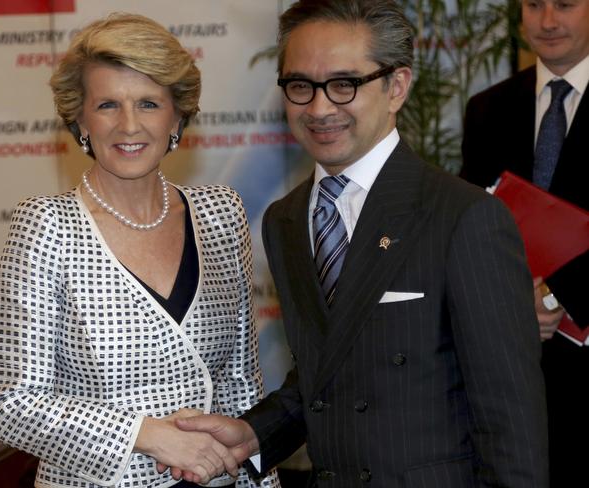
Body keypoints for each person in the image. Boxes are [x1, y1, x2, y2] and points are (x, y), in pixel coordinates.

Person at [171, 1, 549, 486]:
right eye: (300, 86)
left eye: (345, 84)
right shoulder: (285, 220)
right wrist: (254, 434)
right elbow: (327, 372)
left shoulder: (464, 217)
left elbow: (509, 419)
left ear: (397, 87)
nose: (320, 107)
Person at [0, 13, 279, 488]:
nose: (129, 125)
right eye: (107, 105)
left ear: (177, 115)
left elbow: (242, 389)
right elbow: (11, 405)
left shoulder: (221, 214)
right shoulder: (46, 226)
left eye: (148, 103)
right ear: (80, 117)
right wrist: (145, 434)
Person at [460, 0, 589, 485]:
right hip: (507, 365)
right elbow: (469, 222)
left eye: (565, 5)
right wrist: (510, 296)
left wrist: (558, 293)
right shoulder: (488, 108)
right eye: (534, 5)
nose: (548, 21)